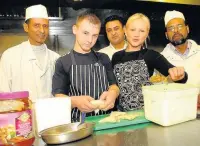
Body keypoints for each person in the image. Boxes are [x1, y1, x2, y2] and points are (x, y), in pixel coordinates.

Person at [112, 13, 188, 111]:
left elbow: (181, 77)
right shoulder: (116, 57)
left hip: (147, 113)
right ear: (125, 30)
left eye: (142, 31)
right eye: (132, 30)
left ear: (147, 33)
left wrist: (180, 75)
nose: (136, 34)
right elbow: (113, 86)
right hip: (121, 115)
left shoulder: (152, 56)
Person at [52, 12, 119, 122]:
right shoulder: (63, 62)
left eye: (94, 35)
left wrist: (113, 94)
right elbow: (58, 97)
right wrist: (75, 101)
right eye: (85, 33)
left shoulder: (103, 58)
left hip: (106, 121)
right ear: (75, 29)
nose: (90, 40)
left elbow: (114, 86)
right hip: (78, 125)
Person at [0, 4, 60, 102]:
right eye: (36, 25)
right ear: (26, 27)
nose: (42, 30)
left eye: (45, 26)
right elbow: (3, 95)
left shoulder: (56, 58)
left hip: (51, 116)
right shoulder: (10, 56)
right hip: (20, 116)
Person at [161, 10, 200, 108]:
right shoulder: (160, 59)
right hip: (175, 110)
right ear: (166, 35)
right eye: (171, 28)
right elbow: (158, 88)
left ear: (187, 29)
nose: (176, 31)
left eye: (179, 26)